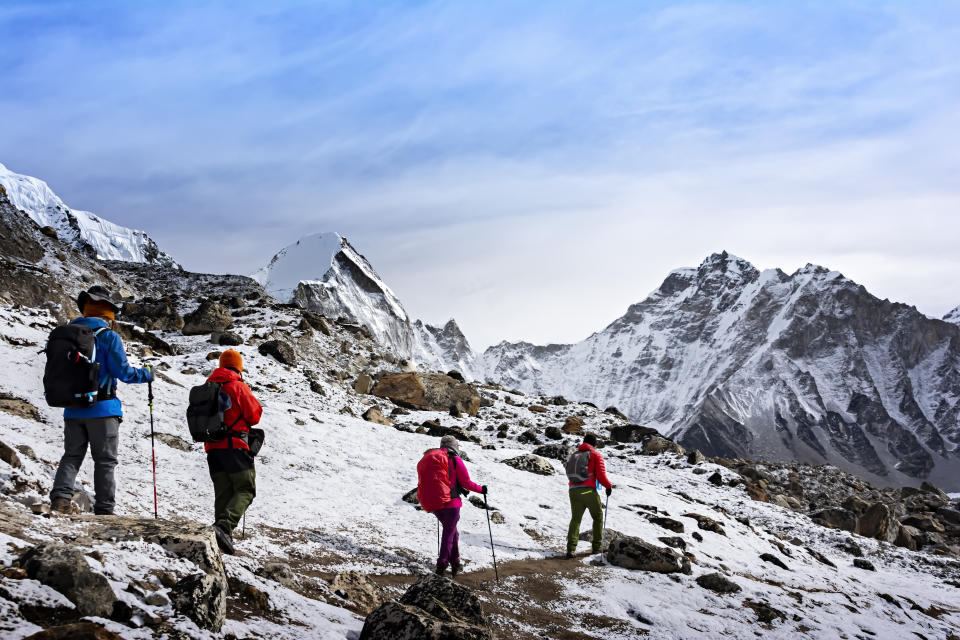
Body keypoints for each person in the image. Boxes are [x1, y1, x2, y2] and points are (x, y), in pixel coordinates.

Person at [50, 286, 153, 515]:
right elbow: (123, 372)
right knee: (105, 462)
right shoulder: (108, 337)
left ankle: (60, 498)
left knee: (71, 456)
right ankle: (105, 511)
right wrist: (147, 374)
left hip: (73, 409)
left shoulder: (68, 334)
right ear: (109, 315)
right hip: (103, 410)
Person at [205, 349, 262, 555]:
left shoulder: (208, 386)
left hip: (212, 448)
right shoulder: (238, 386)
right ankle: (224, 528)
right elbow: (254, 415)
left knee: (223, 491)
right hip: (236, 447)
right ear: (238, 367)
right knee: (246, 489)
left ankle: (218, 536)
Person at [417, 435, 485, 577]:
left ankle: (456, 562)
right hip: (451, 503)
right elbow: (466, 483)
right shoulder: (454, 460)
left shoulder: (433, 458)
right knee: (449, 533)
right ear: (454, 446)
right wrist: (481, 490)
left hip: (435, 503)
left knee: (453, 531)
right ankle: (442, 565)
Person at [565, 433, 613, 558]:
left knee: (575, 519)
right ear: (594, 444)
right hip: (588, 491)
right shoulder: (595, 455)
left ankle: (571, 549)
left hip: (573, 490)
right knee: (597, 516)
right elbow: (601, 476)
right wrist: (608, 486)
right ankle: (596, 547)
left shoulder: (574, 455)